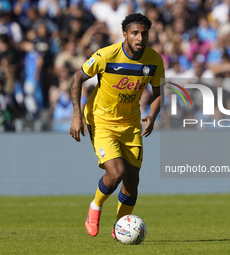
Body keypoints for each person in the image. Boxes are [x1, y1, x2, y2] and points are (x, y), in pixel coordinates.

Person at [69, 13, 165, 238]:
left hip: (131, 124)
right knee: (116, 172)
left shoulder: (154, 60)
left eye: (144, 33)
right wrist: (76, 115)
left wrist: (152, 114)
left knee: (132, 180)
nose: (140, 38)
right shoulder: (106, 55)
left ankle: (120, 227)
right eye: (135, 33)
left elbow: (159, 94)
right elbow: (76, 78)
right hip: (101, 121)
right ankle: (95, 206)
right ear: (125, 34)